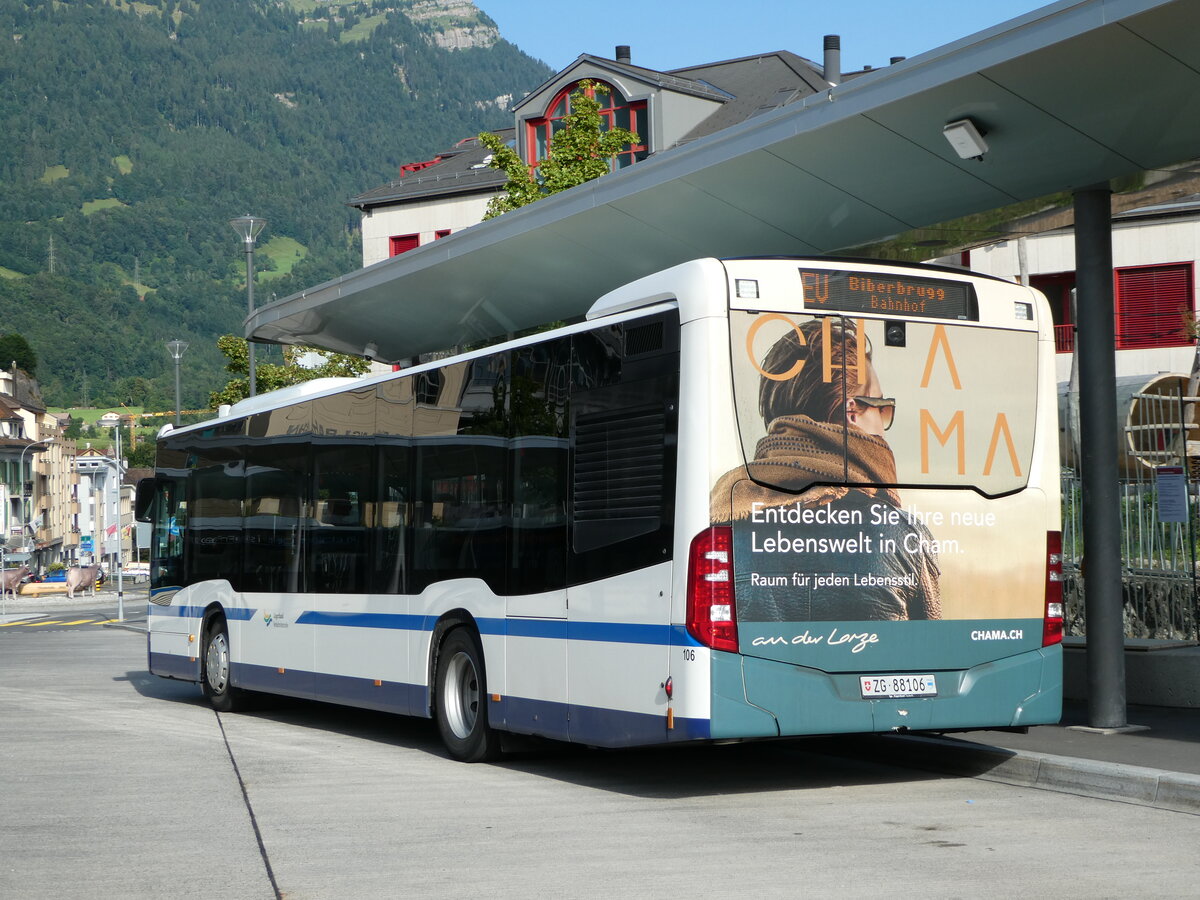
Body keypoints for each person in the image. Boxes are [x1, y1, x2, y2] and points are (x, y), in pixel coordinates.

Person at [710, 318, 941, 621]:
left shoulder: (720, 523)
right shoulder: (901, 535)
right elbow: (927, 656)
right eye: (882, 408)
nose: (884, 427)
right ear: (852, 411)